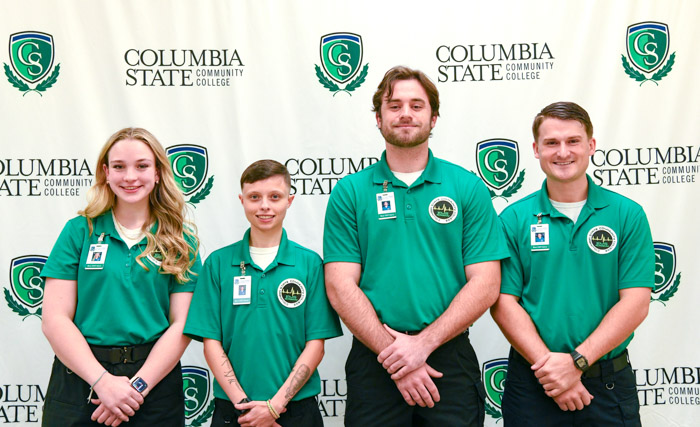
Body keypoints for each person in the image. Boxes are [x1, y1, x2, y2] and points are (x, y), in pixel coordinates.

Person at [323, 65, 509, 426]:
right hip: (374, 359)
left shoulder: (466, 187)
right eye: (394, 106)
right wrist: (396, 355)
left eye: (416, 105)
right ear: (378, 118)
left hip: (448, 358)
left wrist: (422, 345)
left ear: (434, 117)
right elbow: (339, 285)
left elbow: (486, 283)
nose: (405, 113)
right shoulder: (350, 192)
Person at [491, 102, 654, 426]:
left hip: (607, 385)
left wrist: (577, 363)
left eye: (573, 141)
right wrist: (554, 371)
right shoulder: (513, 218)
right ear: (536, 150)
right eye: (551, 143)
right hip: (533, 384)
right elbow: (503, 302)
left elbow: (636, 303)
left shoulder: (626, 215)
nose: (562, 152)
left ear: (591, 146)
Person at [41, 127, 201, 426]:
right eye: (119, 167)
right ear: (105, 173)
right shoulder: (79, 232)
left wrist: (134, 389)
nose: (130, 177)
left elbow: (183, 324)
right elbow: (54, 320)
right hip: (80, 379)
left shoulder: (181, 240)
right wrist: (102, 382)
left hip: (153, 385)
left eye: (142, 166)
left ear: (157, 173)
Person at [184, 160, 342, 427]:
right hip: (233, 409)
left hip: (295, 409)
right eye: (254, 197)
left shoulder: (310, 264)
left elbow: (316, 345)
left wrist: (274, 406)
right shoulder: (218, 263)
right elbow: (211, 342)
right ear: (241, 200)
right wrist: (246, 407)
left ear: (289, 200)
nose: (265, 206)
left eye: (275, 197)